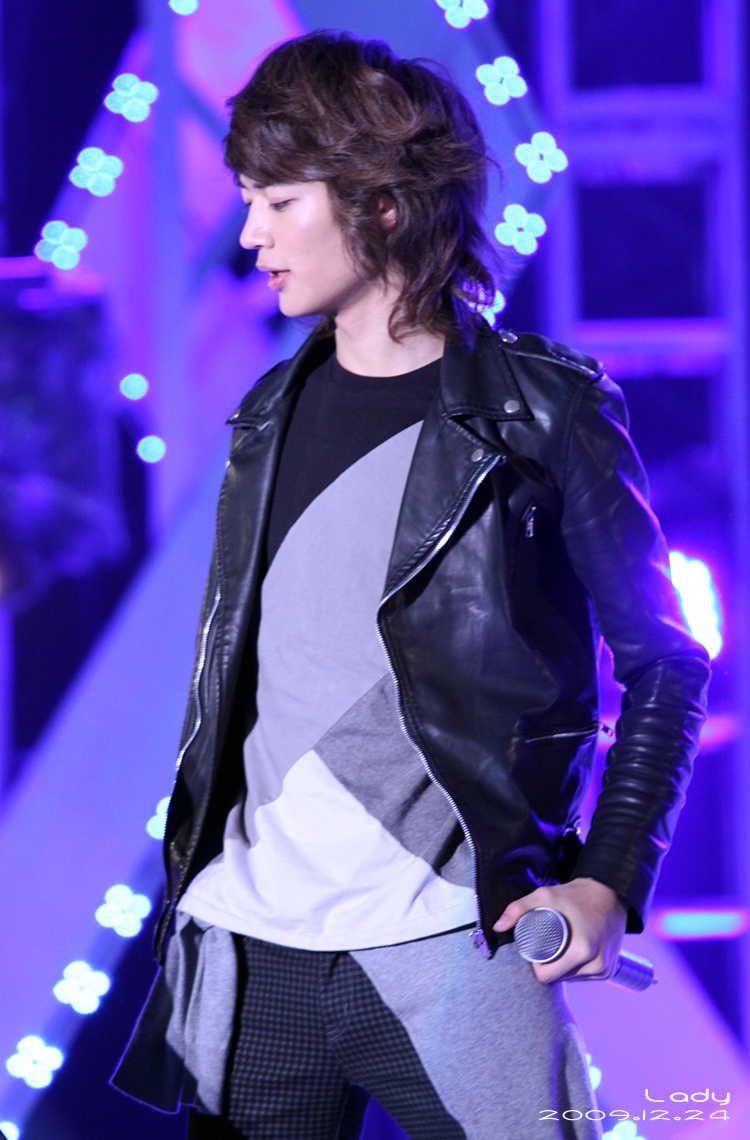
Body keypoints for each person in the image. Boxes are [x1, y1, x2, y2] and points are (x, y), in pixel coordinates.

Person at [113, 30, 710, 1140]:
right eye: (247, 202)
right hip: (254, 947)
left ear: (382, 206)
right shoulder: (263, 418)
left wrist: (609, 879)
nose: (249, 235)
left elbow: (666, 662)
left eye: (278, 201)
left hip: (457, 942)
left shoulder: (544, 412)